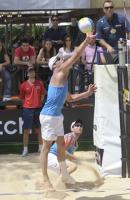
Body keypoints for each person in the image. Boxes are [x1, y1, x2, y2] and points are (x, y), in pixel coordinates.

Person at [39, 34, 97, 191]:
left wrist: (87, 93)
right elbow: (77, 55)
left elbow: (70, 98)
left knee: (60, 145)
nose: (63, 59)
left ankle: (64, 174)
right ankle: (45, 180)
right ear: (56, 65)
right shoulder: (60, 72)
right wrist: (87, 39)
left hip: (57, 116)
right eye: (59, 59)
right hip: (49, 116)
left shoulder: (62, 79)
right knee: (45, 148)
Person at [19, 66, 45, 156]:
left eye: (33, 71)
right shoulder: (23, 85)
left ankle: (40, 148)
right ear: (27, 73)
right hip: (27, 109)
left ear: (35, 73)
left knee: (39, 129)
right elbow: (22, 98)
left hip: (38, 108)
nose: (31, 73)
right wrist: (29, 104)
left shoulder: (40, 83)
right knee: (26, 130)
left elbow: (42, 95)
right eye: (30, 72)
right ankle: (25, 149)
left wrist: (38, 103)